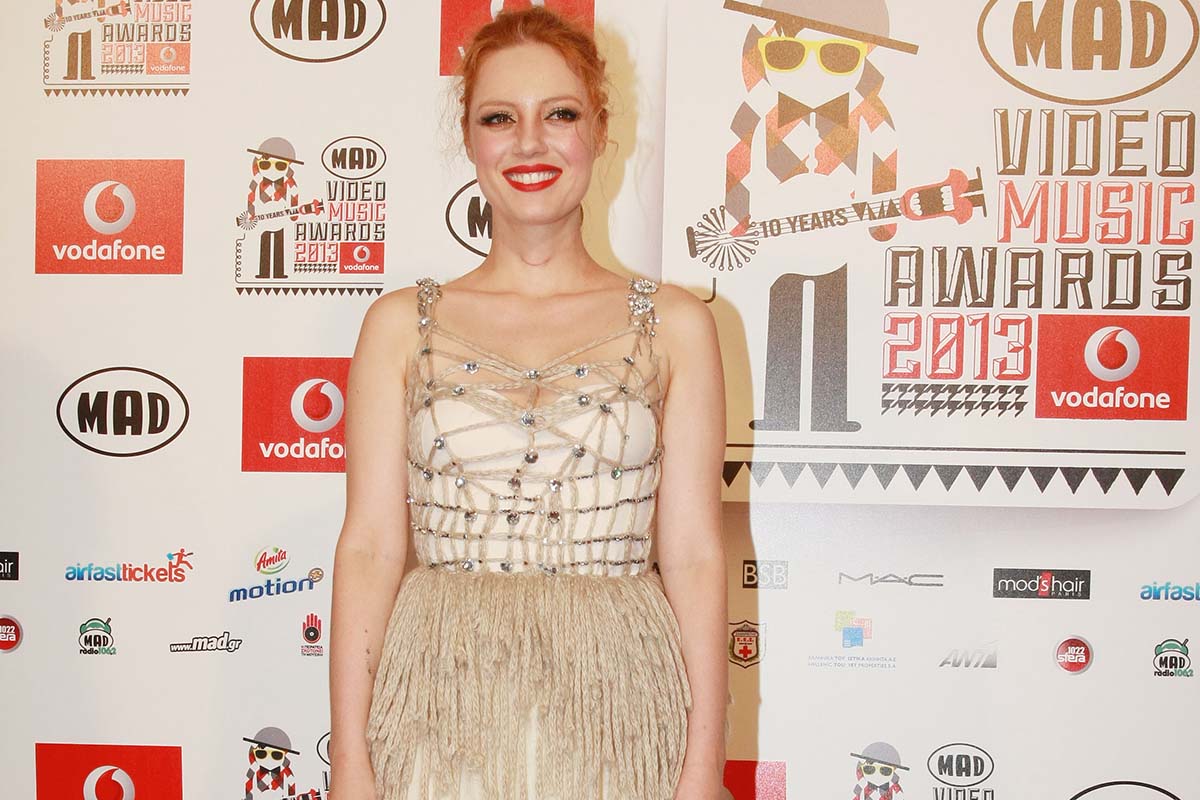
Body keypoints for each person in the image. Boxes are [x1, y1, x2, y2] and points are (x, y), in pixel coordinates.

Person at [329, 8, 727, 800]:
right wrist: (349, 766)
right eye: (499, 118)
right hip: (440, 712)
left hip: (618, 714)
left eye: (561, 114)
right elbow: (369, 550)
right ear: (470, 138)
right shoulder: (399, 324)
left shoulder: (676, 324)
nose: (530, 143)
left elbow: (693, 556)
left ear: (600, 129)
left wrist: (702, 772)